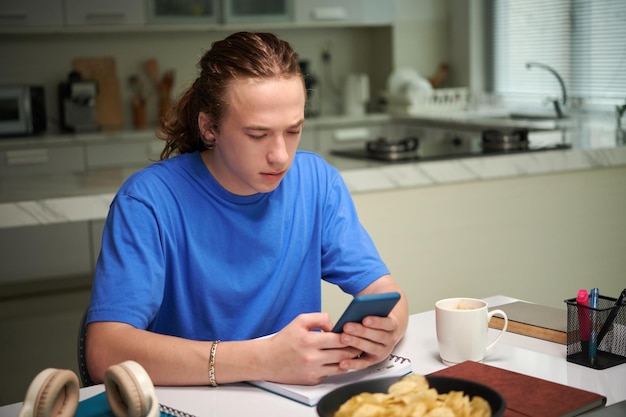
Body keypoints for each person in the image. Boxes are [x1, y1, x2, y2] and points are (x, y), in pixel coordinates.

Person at [85, 31, 408, 387]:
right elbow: (104, 353)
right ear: (210, 128)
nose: (281, 156)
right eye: (258, 135)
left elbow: (386, 293)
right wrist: (261, 361)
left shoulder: (318, 182)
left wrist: (385, 333)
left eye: (293, 131)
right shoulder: (148, 201)